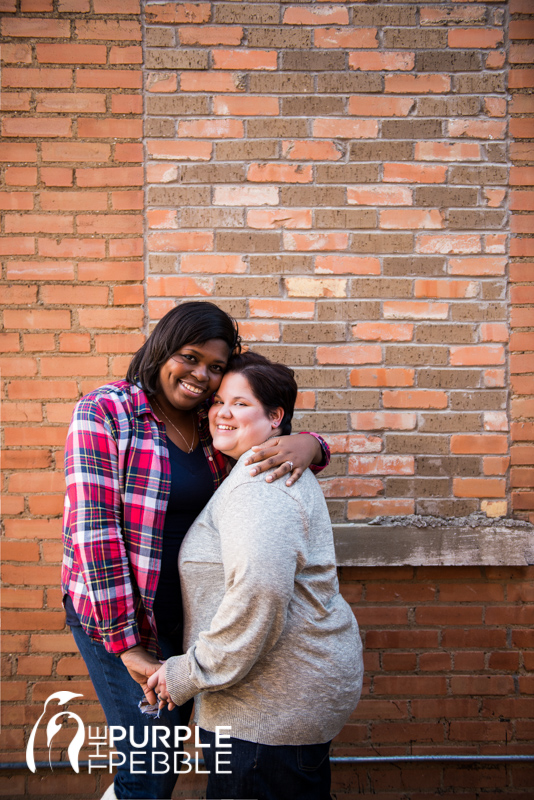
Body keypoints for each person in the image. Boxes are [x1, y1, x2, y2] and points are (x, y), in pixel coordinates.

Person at [61, 302, 330, 800]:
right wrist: (128, 647)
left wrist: (310, 444)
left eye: (215, 368)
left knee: (171, 755)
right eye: (189, 358)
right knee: (151, 767)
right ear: (162, 348)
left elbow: (266, 426)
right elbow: (92, 534)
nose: (202, 377)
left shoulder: (211, 422)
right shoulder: (107, 411)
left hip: (189, 620)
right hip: (118, 615)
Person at [147, 351, 363, 800]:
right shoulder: (260, 469)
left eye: (240, 403)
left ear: (275, 416)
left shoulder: (259, 482)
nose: (221, 413)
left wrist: (188, 672)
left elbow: (258, 594)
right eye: (218, 401)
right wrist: (314, 443)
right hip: (278, 704)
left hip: (265, 714)